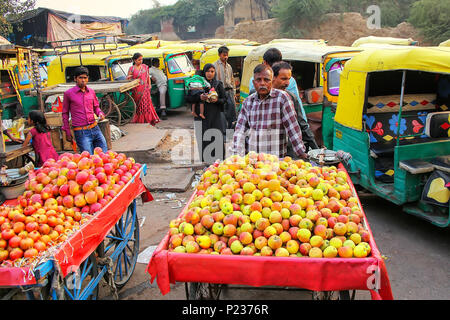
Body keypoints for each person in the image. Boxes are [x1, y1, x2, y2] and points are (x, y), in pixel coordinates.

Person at [233, 64, 306, 159]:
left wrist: (301, 153)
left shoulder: (282, 98)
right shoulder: (248, 102)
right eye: (259, 80)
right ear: (254, 83)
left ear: (272, 82)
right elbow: (240, 131)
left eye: (266, 80)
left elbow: (292, 128)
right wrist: (237, 155)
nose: (262, 83)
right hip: (252, 162)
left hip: (274, 161)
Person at [248, 48, 308, 121]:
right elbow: (297, 106)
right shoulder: (291, 81)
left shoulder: (254, 79)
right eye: (283, 79)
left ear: (265, 62)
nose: (287, 83)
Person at [272, 61, 319, 152]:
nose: (287, 83)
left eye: (289, 79)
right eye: (283, 79)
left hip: (286, 150)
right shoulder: (257, 96)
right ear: (273, 77)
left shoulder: (291, 97)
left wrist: (316, 150)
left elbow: (302, 124)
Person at [62, 66, 108, 154]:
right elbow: (65, 114)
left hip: (95, 128)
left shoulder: (91, 92)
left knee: (104, 155)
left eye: (85, 78)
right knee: (88, 159)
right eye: (80, 78)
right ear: (75, 79)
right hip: (81, 132)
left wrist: (100, 113)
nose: (83, 80)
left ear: (88, 79)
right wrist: (67, 132)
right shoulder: (68, 94)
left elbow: (96, 107)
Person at [187, 63, 226, 164]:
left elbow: (224, 99)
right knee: (204, 138)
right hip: (202, 118)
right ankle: (206, 164)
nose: (210, 73)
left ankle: (219, 163)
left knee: (217, 137)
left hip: (215, 116)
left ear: (214, 73)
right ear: (204, 72)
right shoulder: (197, 84)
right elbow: (188, 98)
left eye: (212, 71)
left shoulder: (218, 84)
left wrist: (216, 100)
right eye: (208, 71)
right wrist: (199, 97)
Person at [127, 53, 160, 125]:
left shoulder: (145, 67)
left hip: (145, 89)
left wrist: (149, 85)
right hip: (136, 89)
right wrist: (129, 77)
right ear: (135, 60)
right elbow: (128, 78)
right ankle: (140, 120)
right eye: (139, 60)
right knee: (139, 106)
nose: (141, 61)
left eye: (141, 59)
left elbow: (148, 76)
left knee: (146, 105)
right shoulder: (131, 68)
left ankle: (148, 119)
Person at [213, 46, 237, 129]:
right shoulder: (215, 65)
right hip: (220, 92)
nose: (226, 57)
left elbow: (232, 80)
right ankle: (222, 132)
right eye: (224, 55)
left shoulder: (229, 66)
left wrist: (234, 93)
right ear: (219, 55)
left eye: (227, 55)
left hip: (229, 92)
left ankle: (230, 133)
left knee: (232, 114)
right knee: (222, 113)